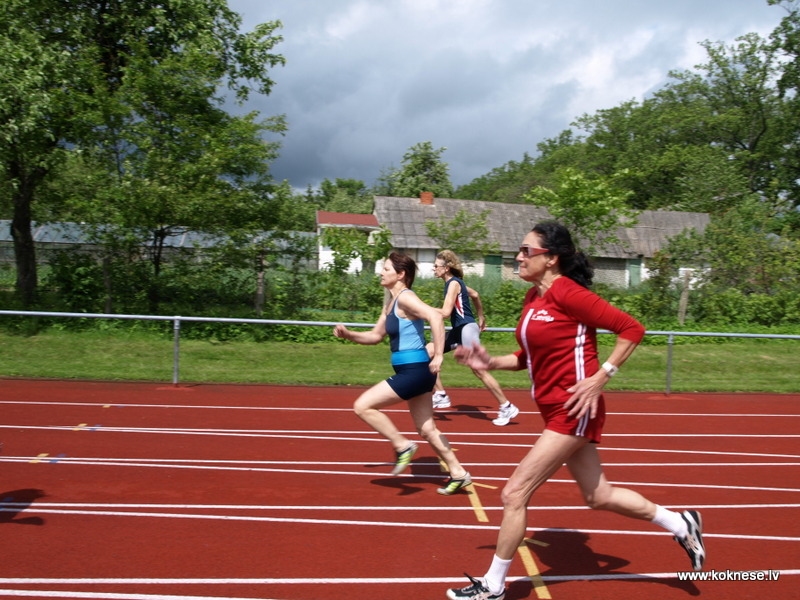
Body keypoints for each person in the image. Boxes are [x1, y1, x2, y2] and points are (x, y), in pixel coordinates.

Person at [445, 222, 705, 600]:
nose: (518, 257)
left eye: (526, 251)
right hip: (555, 412)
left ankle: (493, 585)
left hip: (574, 410)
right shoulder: (533, 298)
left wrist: (601, 376)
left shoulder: (569, 293)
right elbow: (527, 357)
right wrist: (489, 361)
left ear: (551, 258)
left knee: (514, 493)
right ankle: (680, 523)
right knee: (598, 495)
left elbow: (631, 329)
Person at [333, 251, 472, 496]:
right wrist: (349, 335)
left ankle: (402, 445)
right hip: (416, 370)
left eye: (386, 269)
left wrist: (439, 355)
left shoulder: (406, 298)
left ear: (400, 274)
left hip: (415, 370)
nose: (381, 272)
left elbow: (435, 317)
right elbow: (375, 336)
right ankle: (459, 473)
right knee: (427, 429)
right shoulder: (391, 302)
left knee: (363, 406)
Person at [429, 250, 520, 426]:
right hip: (459, 329)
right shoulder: (456, 283)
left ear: (446, 268)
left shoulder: (453, 283)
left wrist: (419, 309)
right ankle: (440, 394)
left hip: (466, 329)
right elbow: (476, 294)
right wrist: (481, 316)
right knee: (427, 352)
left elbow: (446, 312)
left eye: (436, 266)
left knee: (478, 369)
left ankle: (507, 406)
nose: (434, 268)